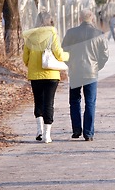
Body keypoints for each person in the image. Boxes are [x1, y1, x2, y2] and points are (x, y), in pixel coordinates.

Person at [62, 9, 109, 141]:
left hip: (75, 71)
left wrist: (70, 64)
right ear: (92, 19)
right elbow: (104, 55)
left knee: (74, 101)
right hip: (91, 72)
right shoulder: (99, 34)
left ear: (80, 19)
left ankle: (76, 130)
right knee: (90, 102)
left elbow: (63, 51)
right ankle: (88, 133)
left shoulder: (71, 33)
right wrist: (97, 66)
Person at [23, 12, 69, 143]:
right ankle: (47, 135)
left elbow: (25, 58)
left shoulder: (30, 36)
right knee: (49, 103)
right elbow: (59, 55)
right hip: (51, 74)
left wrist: (31, 64)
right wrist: (68, 56)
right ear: (50, 21)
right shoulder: (53, 35)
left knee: (38, 102)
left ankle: (39, 131)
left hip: (35, 75)